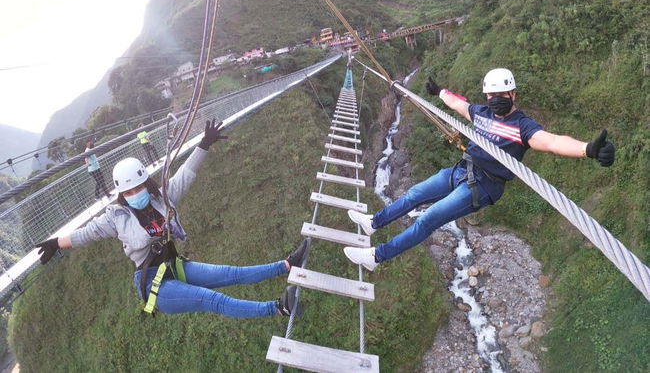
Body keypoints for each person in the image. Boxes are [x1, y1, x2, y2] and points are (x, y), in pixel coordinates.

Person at [343, 68, 615, 271]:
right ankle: (373, 223)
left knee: (428, 219)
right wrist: (439, 92)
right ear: (487, 96)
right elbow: (459, 104)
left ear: (513, 95)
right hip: (463, 169)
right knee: (414, 194)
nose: (496, 99)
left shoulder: (523, 126)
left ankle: (377, 257)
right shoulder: (482, 113)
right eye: (492, 95)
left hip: (484, 186)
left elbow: (552, 142)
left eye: (502, 95)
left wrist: (587, 149)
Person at [36, 120, 307, 318]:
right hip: (155, 285)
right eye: (127, 191)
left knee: (229, 273)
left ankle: (286, 265)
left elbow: (185, 175)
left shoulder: (161, 198)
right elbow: (87, 233)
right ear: (121, 193)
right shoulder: (115, 216)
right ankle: (278, 308)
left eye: (137, 187)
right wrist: (56, 243)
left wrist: (203, 145)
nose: (134, 194)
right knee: (211, 299)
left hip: (173, 266)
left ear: (146, 182)